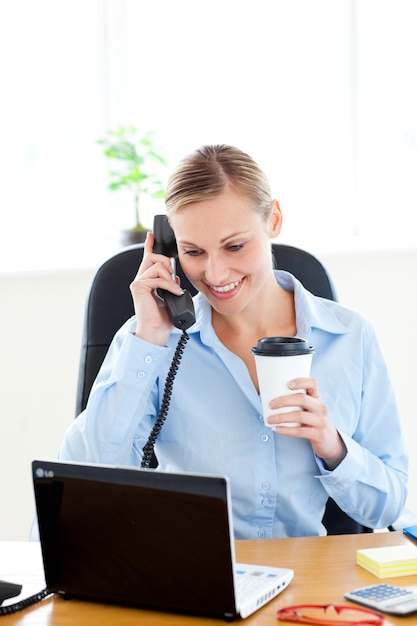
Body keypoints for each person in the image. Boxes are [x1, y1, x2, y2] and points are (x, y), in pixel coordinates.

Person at [58, 144, 408, 539]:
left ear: (273, 220)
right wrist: (150, 341)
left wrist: (334, 446)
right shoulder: (151, 339)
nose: (215, 272)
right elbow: (83, 482)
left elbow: (389, 507)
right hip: (193, 575)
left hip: (307, 580)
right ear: (170, 248)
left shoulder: (350, 337)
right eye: (193, 251)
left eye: (235, 246)